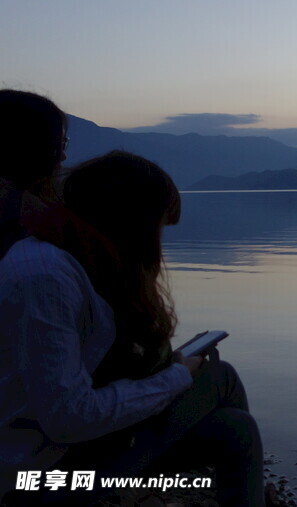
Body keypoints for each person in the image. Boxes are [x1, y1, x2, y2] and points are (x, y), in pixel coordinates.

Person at [0, 91, 264, 506]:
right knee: (220, 382)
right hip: (37, 481)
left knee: (235, 428)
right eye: (157, 227)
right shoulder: (45, 275)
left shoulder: (69, 260)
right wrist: (175, 376)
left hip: (64, 455)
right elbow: (69, 418)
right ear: (132, 224)